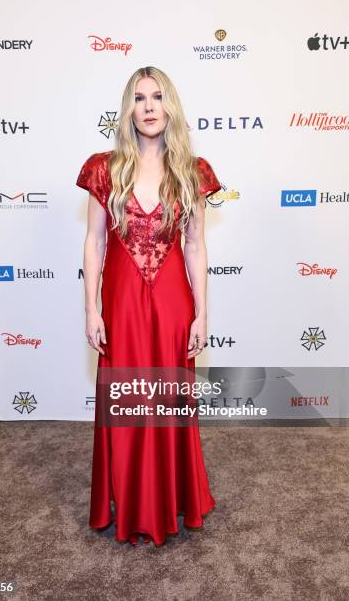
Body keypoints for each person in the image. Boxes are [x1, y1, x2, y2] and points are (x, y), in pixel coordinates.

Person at [76, 66, 221, 547]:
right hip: (121, 303)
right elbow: (94, 243)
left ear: (170, 105)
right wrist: (91, 309)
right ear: (129, 109)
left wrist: (202, 312)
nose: (149, 106)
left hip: (172, 304)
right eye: (139, 98)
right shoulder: (105, 167)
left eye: (158, 97)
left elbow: (196, 246)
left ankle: (170, 500)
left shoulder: (192, 172)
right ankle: (130, 501)